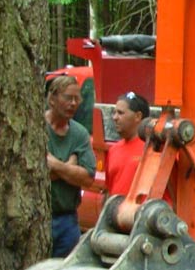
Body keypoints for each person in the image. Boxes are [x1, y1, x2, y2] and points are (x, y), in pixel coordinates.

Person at [46, 75, 97, 256]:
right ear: (52, 99)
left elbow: (88, 178)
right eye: (68, 98)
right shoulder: (37, 127)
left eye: (77, 98)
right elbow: (39, 173)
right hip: (40, 218)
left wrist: (57, 166)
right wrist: (70, 167)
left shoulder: (79, 134)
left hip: (67, 220)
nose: (74, 103)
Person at [106, 91, 150, 196]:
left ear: (138, 116)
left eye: (120, 113)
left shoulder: (154, 149)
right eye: (114, 112)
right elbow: (108, 190)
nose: (114, 117)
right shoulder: (113, 150)